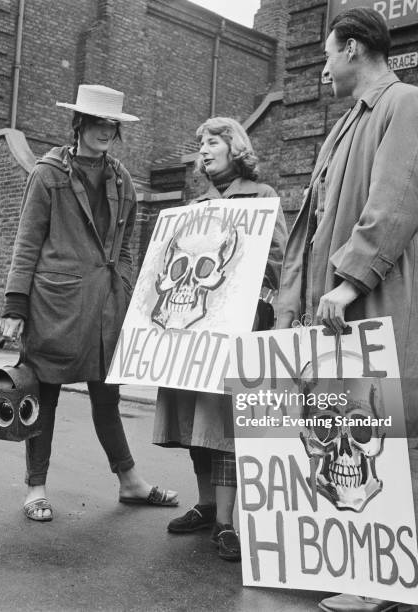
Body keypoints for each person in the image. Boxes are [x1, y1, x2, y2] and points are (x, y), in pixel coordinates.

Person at [274, 8, 418, 612]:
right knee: (343, 429)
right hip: (336, 308)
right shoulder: (344, 126)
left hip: (374, 298)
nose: (321, 68)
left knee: (376, 428)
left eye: (326, 54)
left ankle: (379, 584)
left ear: (351, 48)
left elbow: (397, 200)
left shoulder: (408, 104)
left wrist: (347, 281)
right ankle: (351, 561)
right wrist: (292, 302)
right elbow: (312, 225)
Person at [1, 84, 177, 522]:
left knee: (106, 397)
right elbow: (27, 244)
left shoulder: (122, 179)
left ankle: (130, 482)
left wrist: (128, 288)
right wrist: (14, 307)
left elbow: (130, 246)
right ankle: (35, 488)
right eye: (97, 122)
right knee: (45, 394)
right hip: (54, 305)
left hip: (107, 306)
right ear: (79, 124)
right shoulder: (47, 174)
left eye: (111, 124)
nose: (104, 130)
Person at [153, 117, 287, 561]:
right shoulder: (195, 205)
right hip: (195, 333)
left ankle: (227, 523)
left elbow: (281, 260)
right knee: (196, 420)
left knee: (226, 424)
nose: (204, 150)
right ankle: (207, 505)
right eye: (201, 145)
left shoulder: (263, 197)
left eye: (213, 142)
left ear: (235, 147)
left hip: (241, 328)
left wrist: (251, 278)